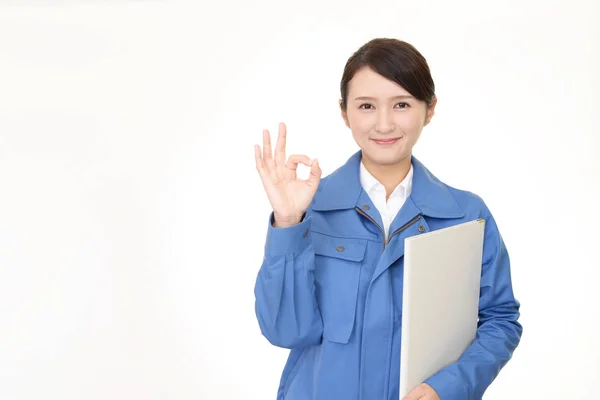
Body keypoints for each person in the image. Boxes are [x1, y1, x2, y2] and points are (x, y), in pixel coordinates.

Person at [253, 38, 522, 400]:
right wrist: (288, 221)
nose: (384, 124)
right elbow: (284, 331)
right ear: (344, 112)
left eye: (401, 105)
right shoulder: (307, 211)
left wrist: (447, 387)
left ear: (429, 110)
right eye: (366, 105)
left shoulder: (465, 215)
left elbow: (500, 321)